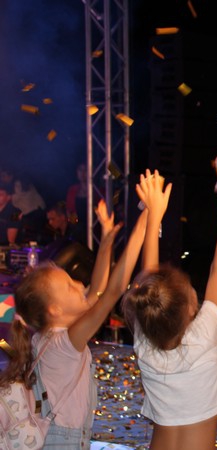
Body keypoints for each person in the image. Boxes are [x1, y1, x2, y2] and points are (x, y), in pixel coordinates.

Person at [0, 184, 150, 449]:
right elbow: (112, 292)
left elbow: (99, 290)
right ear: (54, 310)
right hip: (61, 443)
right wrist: (146, 217)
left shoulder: (51, 337)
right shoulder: (63, 345)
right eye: (70, 286)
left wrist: (106, 241)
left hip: (64, 438)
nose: (80, 285)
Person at [121, 170, 217, 449]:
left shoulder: (145, 338)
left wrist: (154, 217)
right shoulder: (204, 333)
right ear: (191, 309)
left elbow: (151, 281)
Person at [12, 174, 47, 244]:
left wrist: (10, 197)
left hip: (32, 213)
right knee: (37, 233)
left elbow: (15, 199)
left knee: (32, 234)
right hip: (38, 210)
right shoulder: (29, 184)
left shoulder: (17, 184)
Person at [0, 182, 20, 246]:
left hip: (5, 247)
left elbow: (11, 240)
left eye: (0, 195)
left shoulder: (15, 213)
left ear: (8, 197)